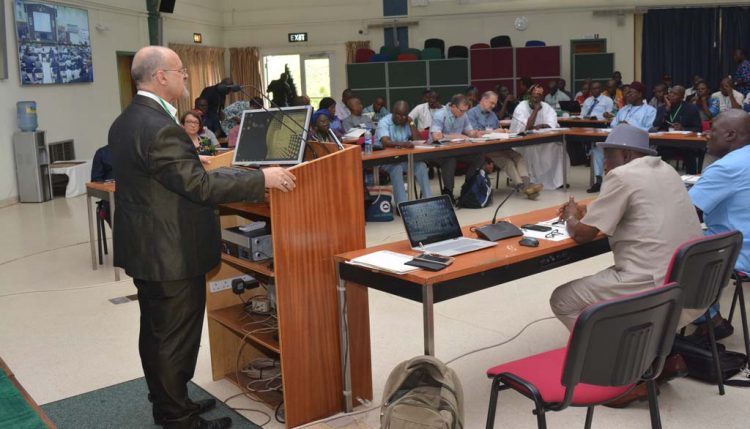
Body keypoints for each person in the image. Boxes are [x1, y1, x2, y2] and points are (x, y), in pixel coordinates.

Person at [108, 46, 295, 429]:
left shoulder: (128, 119)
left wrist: (193, 161)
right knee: (173, 339)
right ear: (161, 76)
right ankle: (177, 418)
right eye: (181, 72)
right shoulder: (160, 126)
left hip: (148, 245)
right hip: (169, 252)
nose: (185, 78)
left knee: (158, 333)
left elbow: (164, 175)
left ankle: (170, 403)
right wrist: (263, 178)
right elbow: (197, 187)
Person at [551, 124, 703, 330]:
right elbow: (641, 206)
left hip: (654, 281)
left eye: (608, 156)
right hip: (690, 280)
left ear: (625, 154)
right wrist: (588, 212)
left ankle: (613, 356)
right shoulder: (667, 169)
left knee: (562, 299)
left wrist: (570, 216)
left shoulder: (622, 175)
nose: (604, 164)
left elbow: (582, 234)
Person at [687, 110, 750, 338]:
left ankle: (710, 319)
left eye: (713, 130)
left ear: (731, 134)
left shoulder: (726, 167)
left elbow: (686, 212)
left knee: (671, 250)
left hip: (739, 252)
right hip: (742, 241)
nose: (707, 134)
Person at [467, 91, 542, 198]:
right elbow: (474, 134)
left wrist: (505, 132)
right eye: (491, 103)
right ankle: (523, 187)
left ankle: (527, 184)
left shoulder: (492, 114)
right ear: (483, 100)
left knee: (518, 156)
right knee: (508, 162)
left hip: (498, 144)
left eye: (495, 104)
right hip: (484, 148)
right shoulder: (471, 113)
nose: (493, 106)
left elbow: (499, 129)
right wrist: (494, 132)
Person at [589, 81, 656, 193]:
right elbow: (613, 124)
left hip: (635, 144)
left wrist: (630, 126)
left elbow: (649, 129)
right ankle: (599, 181)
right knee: (597, 151)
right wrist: (621, 125)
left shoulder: (650, 110)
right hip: (618, 142)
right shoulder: (624, 109)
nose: (628, 95)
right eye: (627, 93)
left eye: (631, 93)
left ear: (640, 94)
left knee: (623, 153)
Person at [374, 101, 433, 208]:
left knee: (421, 166)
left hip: (403, 159)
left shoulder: (406, 122)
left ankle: (429, 201)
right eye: (398, 114)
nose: (400, 118)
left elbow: (418, 140)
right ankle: (403, 206)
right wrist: (403, 144)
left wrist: (411, 123)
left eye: (404, 115)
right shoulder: (384, 122)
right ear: (392, 112)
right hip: (385, 160)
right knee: (396, 169)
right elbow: (385, 142)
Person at [510, 84, 568, 190]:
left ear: (542, 97)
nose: (536, 98)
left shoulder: (546, 107)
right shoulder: (521, 107)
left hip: (542, 140)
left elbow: (552, 124)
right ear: (529, 96)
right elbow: (527, 127)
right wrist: (536, 110)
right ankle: (531, 180)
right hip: (522, 142)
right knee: (531, 148)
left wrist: (540, 126)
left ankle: (557, 181)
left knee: (559, 147)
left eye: (539, 95)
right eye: (534, 95)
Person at [430, 94, 484, 203]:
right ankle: (448, 192)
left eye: (465, 111)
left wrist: (475, 134)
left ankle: (468, 186)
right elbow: (436, 136)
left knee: (480, 156)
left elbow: (468, 130)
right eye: (461, 111)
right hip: (438, 151)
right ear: (453, 106)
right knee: (450, 159)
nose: (463, 113)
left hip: (458, 149)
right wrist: (455, 136)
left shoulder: (463, 114)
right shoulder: (440, 114)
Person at [653, 86, 702, 174]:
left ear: (682, 97)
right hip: (668, 143)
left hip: (685, 143)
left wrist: (683, 128)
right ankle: (658, 176)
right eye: (670, 93)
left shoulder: (691, 109)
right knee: (659, 152)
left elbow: (698, 129)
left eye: (675, 94)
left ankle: (692, 177)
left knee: (689, 153)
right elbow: (656, 124)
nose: (671, 95)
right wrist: (666, 110)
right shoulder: (662, 108)